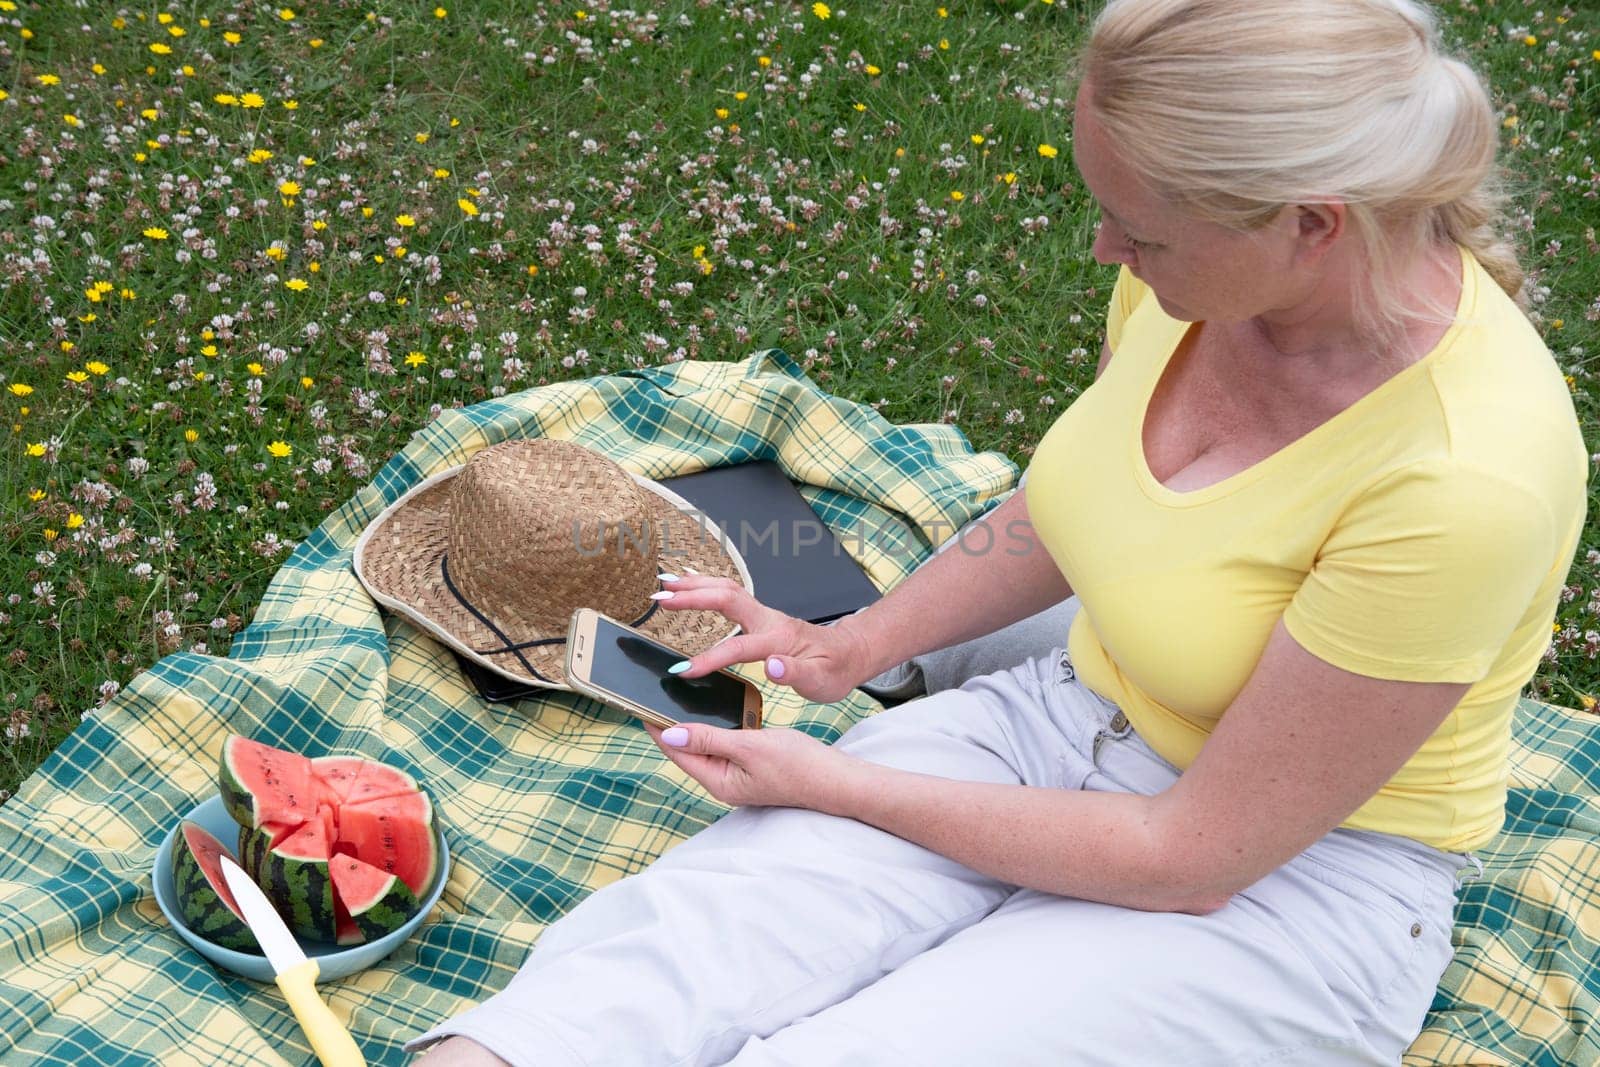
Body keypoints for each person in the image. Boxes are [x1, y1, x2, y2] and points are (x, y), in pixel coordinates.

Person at [411, 0, 1586, 1062]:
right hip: (1066, 713)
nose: (1105, 254)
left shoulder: (1465, 484)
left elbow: (1188, 856)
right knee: (656, 962)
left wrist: (835, 783)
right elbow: (1080, 502)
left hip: (1288, 878)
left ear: (1312, 223)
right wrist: (859, 643)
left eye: (1142, 233)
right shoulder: (1214, 282)